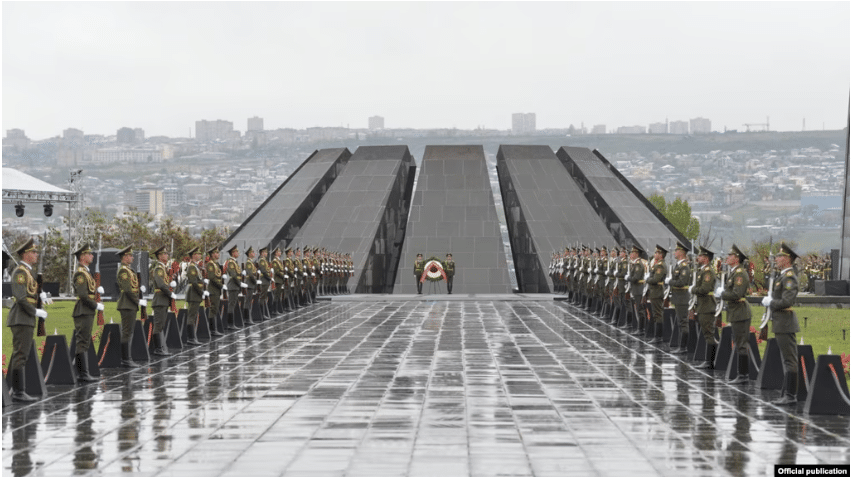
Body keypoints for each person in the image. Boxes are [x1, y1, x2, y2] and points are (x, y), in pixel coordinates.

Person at [6, 238, 46, 401]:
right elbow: (21, 298)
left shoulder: (28, 272)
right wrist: (35, 311)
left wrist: (39, 296)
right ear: (25, 254)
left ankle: (19, 390)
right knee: (20, 355)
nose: (36, 254)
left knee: (22, 354)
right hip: (21, 318)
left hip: (26, 318)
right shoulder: (20, 272)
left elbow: (29, 294)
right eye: (33, 252)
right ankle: (18, 392)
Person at [762, 243, 801, 405]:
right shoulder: (782, 276)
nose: (776, 259)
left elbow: (787, 300)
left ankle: (790, 396)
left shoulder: (789, 277)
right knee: (786, 359)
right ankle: (787, 393)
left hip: (785, 323)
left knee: (790, 360)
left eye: (779, 257)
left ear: (787, 259)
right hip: (780, 322)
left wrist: (772, 302)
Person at [717, 244, 752, 384]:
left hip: (741, 312)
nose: (727, 257)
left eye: (730, 255)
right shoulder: (734, 272)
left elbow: (737, 293)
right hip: (736, 312)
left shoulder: (740, 273)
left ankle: (743, 375)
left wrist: (723, 294)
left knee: (741, 344)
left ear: (736, 259)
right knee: (738, 342)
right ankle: (741, 374)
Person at [72, 243, 104, 380]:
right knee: (82, 342)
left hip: (87, 311)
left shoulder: (86, 272)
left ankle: (84, 372)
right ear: (83, 256)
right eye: (89, 254)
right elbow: (83, 295)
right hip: (83, 311)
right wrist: (95, 305)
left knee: (84, 341)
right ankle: (82, 373)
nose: (92, 256)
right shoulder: (80, 273)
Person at [115, 245, 142, 367]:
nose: (132, 258)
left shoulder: (129, 270)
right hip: (127, 304)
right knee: (127, 332)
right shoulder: (123, 271)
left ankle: (127, 357)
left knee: (129, 332)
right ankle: (126, 359)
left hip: (129, 304)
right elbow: (127, 289)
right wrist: (137, 300)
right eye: (130, 256)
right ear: (124, 257)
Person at [692, 247, 719, 369]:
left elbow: (704, 289)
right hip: (703, 305)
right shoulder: (702, 271)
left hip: (707, 306)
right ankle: (709, 360)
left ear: (706, 259)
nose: (698, 258)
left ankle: (710, 362)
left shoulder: (708, 272)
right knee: (706, 332)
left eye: (701, 256)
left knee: (709, 334)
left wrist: (692, 289)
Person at [150, 246, 176, 356]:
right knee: (158, 324)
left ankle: (160, 347)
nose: (166, 255)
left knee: (161, 325)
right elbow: (161, 284)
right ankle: (158, 349)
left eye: (166, 254)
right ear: (160, 256)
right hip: (160, 300)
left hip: (163, 300)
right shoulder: (159, 269)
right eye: (164, 254)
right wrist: (170, 294)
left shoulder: (164, 269)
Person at [667, 242, 692, 354]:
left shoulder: (684, 267)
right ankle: (681, 346)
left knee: (683, 322)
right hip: (678, 297)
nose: (674, 252)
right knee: (680, 322)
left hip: (682, 298)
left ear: (681, 253)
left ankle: (683, 347)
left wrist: (670, 282)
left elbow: (682, 282)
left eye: (676, 250)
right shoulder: (679, 266)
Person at [646, 245, 667, 343]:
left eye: (657, 253)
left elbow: (656, 279)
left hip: (657, 291)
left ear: (661, 255)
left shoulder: (660, 265)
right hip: (655, 291)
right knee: (655, 314)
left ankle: (658, 336)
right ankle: (657, 335)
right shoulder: (657, 264)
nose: (655, 254)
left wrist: (648, 279)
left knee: (658, 314)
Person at [184, 246, 204, 346]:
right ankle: (191, 338)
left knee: (194, 315)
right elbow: (194, 282)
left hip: (196, 293)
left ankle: (192, 337)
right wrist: (202, 292)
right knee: (191, 316)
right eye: (198, 254)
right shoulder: (192, 267)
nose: (200, 255)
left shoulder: (195, 266)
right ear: (194, 255)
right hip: (194, 294)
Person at [225, 245, 246, 330]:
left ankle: (231, 323)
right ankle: (230, 324)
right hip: (233, 286)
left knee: (233, 305)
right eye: (237, 251)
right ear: (233, 253)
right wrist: (240, 283)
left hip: (235, 286)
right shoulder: (231, 262)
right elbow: (233, 275)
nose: (238, 253)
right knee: (231, 305)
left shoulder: (234, 262)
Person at [205, 245, 224, 336]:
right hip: (213, 289)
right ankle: (212, 329)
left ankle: (213, 329)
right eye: (216, 253)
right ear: (212, 254)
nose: (218, 254)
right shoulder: (210, 264)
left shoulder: (216, 264)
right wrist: (221, 285)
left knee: (215, 309)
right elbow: (212, 277)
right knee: (213, 309)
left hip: (216, 289)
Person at [244, 246, 259, 322]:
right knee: (248, 301)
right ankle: (247, 319)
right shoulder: (248, 262)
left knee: (249, 301)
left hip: (251, 284)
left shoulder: (251, 262)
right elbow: (250, 274)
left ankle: (248, 318)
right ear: (249, 254)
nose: (254, 253)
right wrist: (255, 282)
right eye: (253, 252)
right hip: (250, 283)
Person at [257, 246, 271, 319]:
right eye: (265, 252)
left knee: (264, 297)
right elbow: (264, 271)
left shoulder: (264, 260)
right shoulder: (261, 260)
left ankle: (263, 314)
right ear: (262, 253)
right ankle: (261, 314)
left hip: (266, 280)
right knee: (262, 297)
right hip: (264, 280)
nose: (267, 253)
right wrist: (269, 278)